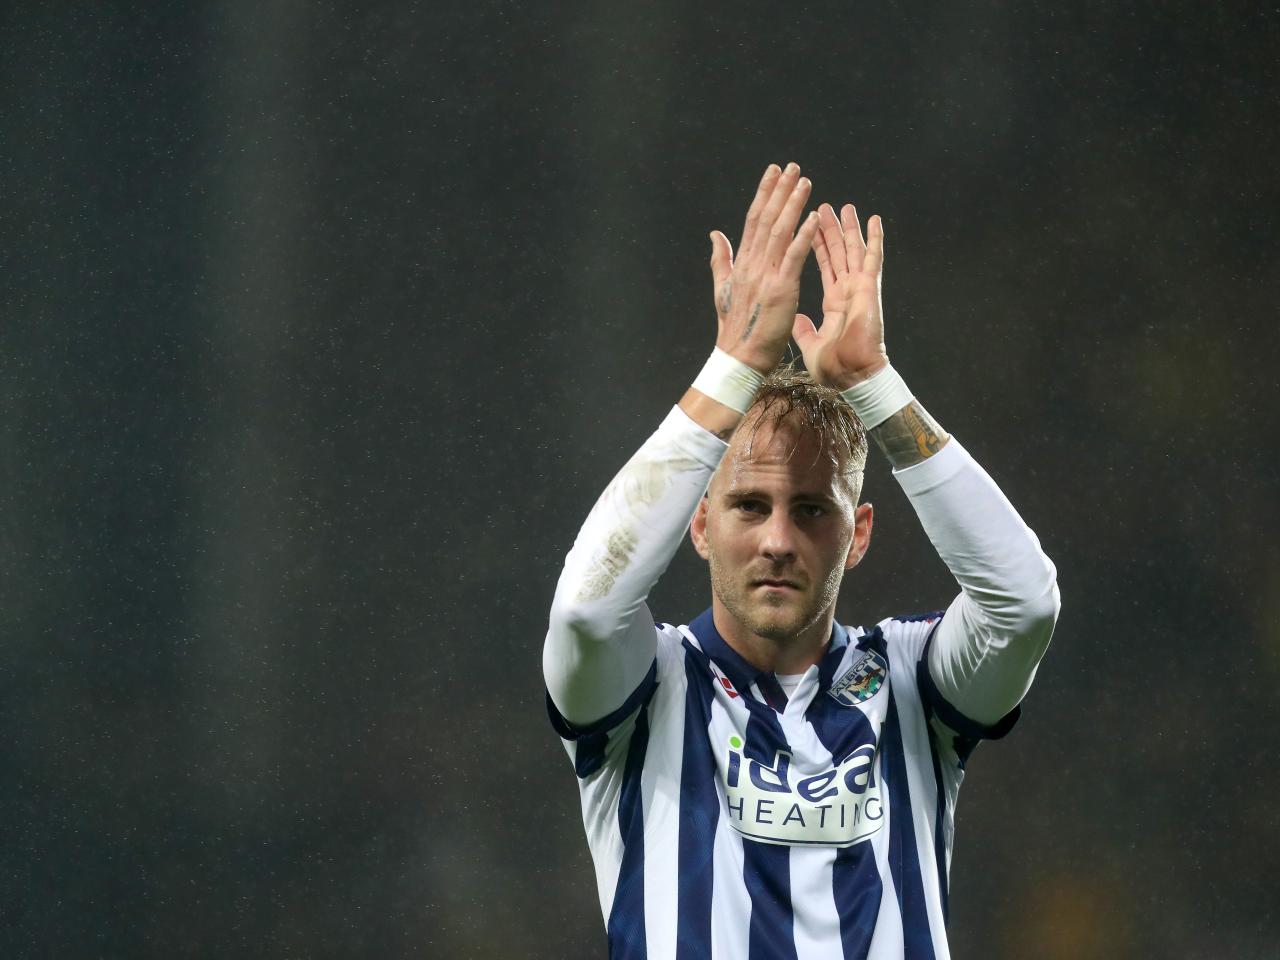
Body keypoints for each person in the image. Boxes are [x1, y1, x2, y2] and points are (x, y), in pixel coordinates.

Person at [543, 162, 1061, 959]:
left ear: (858, 534)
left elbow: (1024, 604)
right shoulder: (646, 686)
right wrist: (734, 365)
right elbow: (586, 607)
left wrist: (873, 385)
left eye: (811, 510)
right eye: (749, 506)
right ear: (699, 524)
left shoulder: (912, 683)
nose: (778, 540)